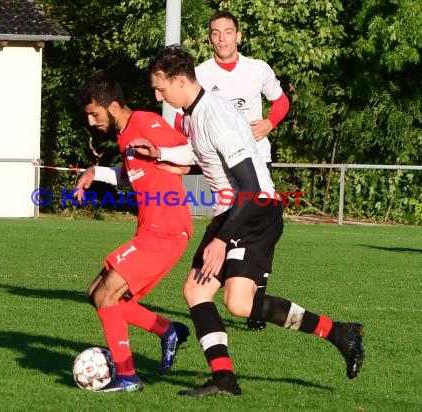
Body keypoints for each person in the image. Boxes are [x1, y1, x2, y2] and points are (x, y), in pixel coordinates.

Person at [130, 45, 364, 397]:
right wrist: (163, 153)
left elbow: (252, 186)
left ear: (180, 80)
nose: (157, 94)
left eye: (160, 87)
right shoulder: (197, 113)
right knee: (198, 291)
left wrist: (221, 241)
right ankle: (224, 378)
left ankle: (339, 332)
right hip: (234, 211)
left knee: (237, 302)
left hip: (254, 211)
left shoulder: (213, 114)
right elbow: (202, 152)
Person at [74, 73, 193, 393]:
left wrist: (164, 154)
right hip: (150, 230)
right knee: (95, 292)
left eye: (95, 114)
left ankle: (128, 377)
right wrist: (93, 172)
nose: (91, 121)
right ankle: (168, 330)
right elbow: (129, 175)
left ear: (113, 106)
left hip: (167, 229)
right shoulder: (125, 137)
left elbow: (189, 152)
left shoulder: (145, 122)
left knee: (106, 296)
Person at [175, 11, 289, 169]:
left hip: (257, 156)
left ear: (238, 36)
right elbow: (181, 119)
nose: (222, 39)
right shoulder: (199, 75)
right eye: (216, 34)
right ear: (210, 39)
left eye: (228, 32)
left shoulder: (258, 68)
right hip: (219, 163)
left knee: (260, 195)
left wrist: (270, 123)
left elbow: (281, 101)